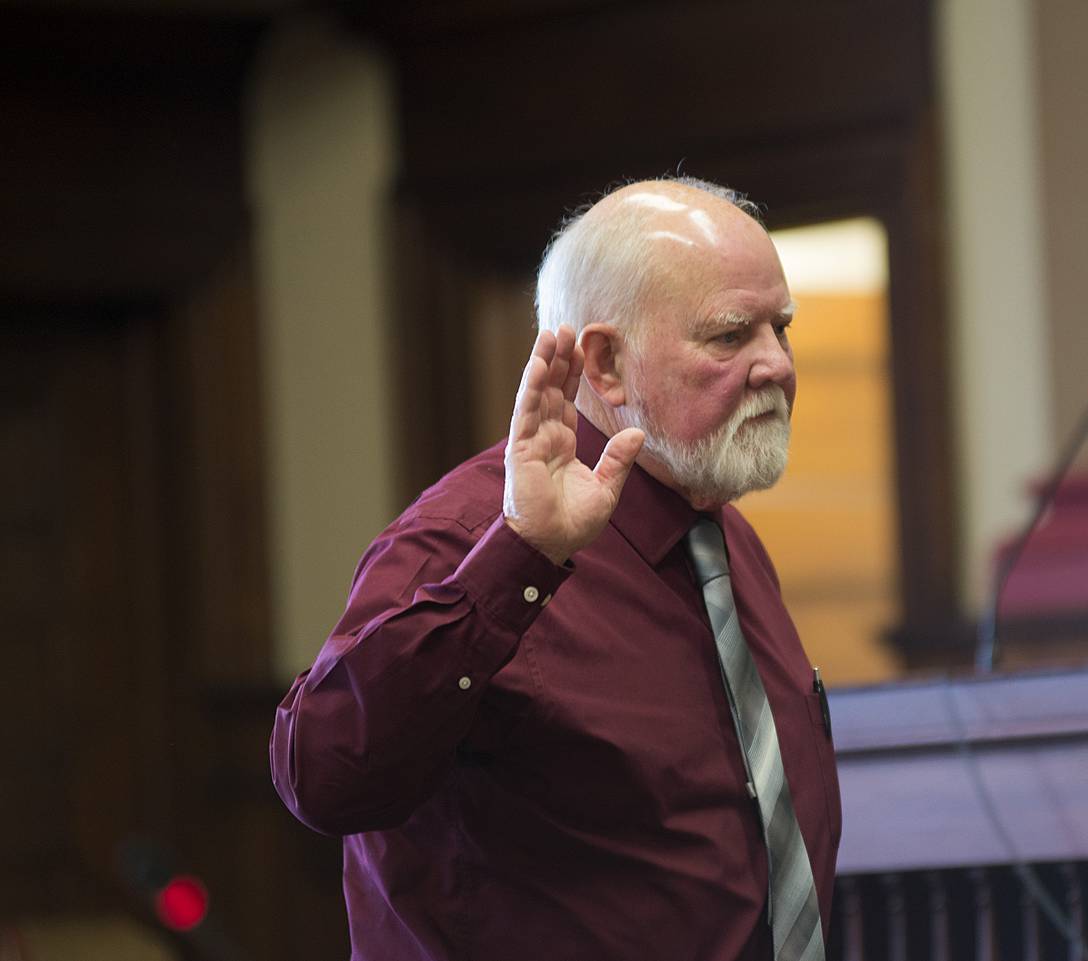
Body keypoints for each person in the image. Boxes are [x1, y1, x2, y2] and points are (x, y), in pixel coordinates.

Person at [271, 177, 841, 961]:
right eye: (730, 335)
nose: (776, 364)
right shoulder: (468, 535)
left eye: (781, 327)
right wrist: (520, 558)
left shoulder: (725, 538)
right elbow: (324, 777)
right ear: (604, 363)